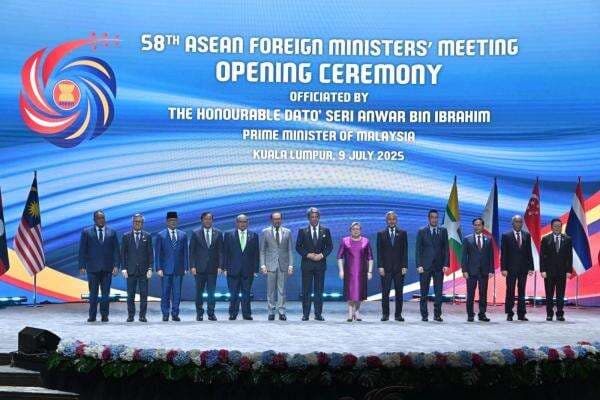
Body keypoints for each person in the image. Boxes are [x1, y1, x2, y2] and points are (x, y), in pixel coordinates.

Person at [78, 210, 120, 323]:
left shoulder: (112, 232)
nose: (101, 220)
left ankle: (104, 316)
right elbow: (82, 250)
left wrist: (116, 265)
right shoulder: (86, 232)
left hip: (107, 268)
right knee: (93, 294)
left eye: (103, 218)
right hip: (92, 268)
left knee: (106, 295)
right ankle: (92, 316)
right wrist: (82, 265)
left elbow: (116, 250)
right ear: (94, 220)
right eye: (99, 218)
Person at [296, 207, 333, 321]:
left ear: (319, 217)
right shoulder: (302, 231)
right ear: (308, 218)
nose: (314, 219)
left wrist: (321, 255)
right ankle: (305, 314)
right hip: (307, 264)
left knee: (319, 291)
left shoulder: (325, 230)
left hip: (320, 265)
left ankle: (318, 314)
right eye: (312, 217)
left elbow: (329, 247)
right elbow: (298, 247)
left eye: (316, 217)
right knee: (306, 291)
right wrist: (308, 255)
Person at [222, 214, 260, 320]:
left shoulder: (254, 235)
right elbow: (225, 252)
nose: (242, 224)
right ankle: (233, 313)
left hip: (248, 270)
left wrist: (255, 269)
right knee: (233, 293)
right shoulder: (229, 235)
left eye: (244, 222)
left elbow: (256, 253)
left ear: (247, 223)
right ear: (236, 223)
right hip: (232, 270)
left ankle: (246, 314)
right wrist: (224, 268)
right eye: (240, 222)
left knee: (246, 293)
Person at [415, 209, 449, 322]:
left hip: (439, 266)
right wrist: (419, 265)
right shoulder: (422, 231)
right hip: (425, 266)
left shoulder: (443, 231)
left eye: (436, 217)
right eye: (432, 217)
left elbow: (446, 249)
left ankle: (437, 315)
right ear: (428, 218)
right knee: (424, 292)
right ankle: (424, 315)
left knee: (438, 292)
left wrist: (446, 264)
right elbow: (418, 250)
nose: (434, 219)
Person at [260, 211, 294, 321]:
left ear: (281, 219)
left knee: (282, 290)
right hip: (270, 265)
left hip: (283, 264)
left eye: (279, 219)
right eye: (275, 219)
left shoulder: (287, 232)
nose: (277, 221)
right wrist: (263, 265)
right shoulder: (265, 232)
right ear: (271, 220)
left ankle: (282, 312)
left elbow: (290, 250)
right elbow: (262, 250)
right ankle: (271, 312)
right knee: (270, 290)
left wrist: (291, 265)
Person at [189, 212, 223, 321]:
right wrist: (192, 266)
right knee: (199, 292)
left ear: (212, 220)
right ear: (202, 220)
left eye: (210, 219)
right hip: (199, 268)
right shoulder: (195, 233)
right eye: (205, 219)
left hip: (213, 268)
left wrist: (220, 266)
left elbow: (220, 251)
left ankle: (211, 313)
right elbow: (192, 251)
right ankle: (199, 313)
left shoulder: (218, 233)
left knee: (211, 293)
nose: (208, 221)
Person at [155, 211, 188, 322]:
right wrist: (158, 268)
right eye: (170, 221)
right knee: (165, 293)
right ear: (167, 221)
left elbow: (185, 252)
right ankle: (165, 314)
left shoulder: (183, 235)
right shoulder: (161, 235)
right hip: (165, 269)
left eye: (174, 220)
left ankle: (175, 314)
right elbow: (158, 253)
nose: (173, 222)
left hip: (179, 269)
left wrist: (186, 267)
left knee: (177, 293)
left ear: (177, 221)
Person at [337, 222, 373, 321]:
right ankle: (350, 312)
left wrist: (369, 271)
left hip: (361, 271)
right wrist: (341, 271)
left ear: (360, 230)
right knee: (350, 292)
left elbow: (370, 257)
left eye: (357, 229)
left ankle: (356, 311)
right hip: (349, 271)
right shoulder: (345, 241)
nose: (355, 230)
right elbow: (339, 257)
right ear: (350, 230)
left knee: (359, 292)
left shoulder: (366, 241)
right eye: (353, 229)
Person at [121, 213, 153, 322]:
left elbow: (150, 253)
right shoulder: (126, 236)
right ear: (132, 222)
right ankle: (131, 315)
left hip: (144, 271)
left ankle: (142, 316)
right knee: (130, 295)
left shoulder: (147, 236)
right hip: (130, 270)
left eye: (139, 221)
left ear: (142, 223)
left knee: (144, 295)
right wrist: (123, 268)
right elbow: (123, 254)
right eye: (136, 221)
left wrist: (150, 268)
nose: (137, 223)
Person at [500, 215, 534, 321]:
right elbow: (504, 253)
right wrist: (503, 268)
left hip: (523, 268)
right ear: (512, 223)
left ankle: (521, 314)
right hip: (510, 269)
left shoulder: (527, 235)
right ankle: (509, 313)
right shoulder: (506, 236)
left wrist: (531, 267)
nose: (518, 224)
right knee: (510, 291)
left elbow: (529, 252)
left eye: (520, 222)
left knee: (522, 291)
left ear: (522, 223)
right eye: (516, 221)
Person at [376, 211, 408, 321]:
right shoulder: (381, 234)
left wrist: (405, 266)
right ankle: (385, 314)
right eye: (389, 219)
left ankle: (398, 315)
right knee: (385, 292)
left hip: (399, 268)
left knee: (399, 292)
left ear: (396, 220)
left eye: (393, 219)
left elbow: (405, 251)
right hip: (386, 268)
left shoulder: (402, 233)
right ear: (386, 220)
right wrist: (380, 266)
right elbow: (379, 251)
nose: (391, 221)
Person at [461, 217, 494, 322]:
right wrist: (464, 270)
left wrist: (491, 270)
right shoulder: (467, 239)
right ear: (473, 226)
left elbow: (491, 256)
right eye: (475, 225)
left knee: (483, 294)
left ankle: (482, 314)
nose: (477, 227)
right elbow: (463, 256)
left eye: (479, 225)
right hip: (471, 271)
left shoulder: (488, 239)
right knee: (470, 294)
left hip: (484, 271)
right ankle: (470, 315)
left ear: (483, 226)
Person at [540, 218, 573, 321]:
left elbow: (569, 256)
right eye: (555, 226)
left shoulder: (567, 239)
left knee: (560, 295)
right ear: (551, 227)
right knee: (549, 294)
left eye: (559, 226)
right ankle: (549, 314)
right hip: (549, 272)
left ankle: (560, 314)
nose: (557, 228)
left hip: (562, 272)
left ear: (561, 227)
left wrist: (569, 271)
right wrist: (542, 270)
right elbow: (542, 256)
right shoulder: (546, 239)